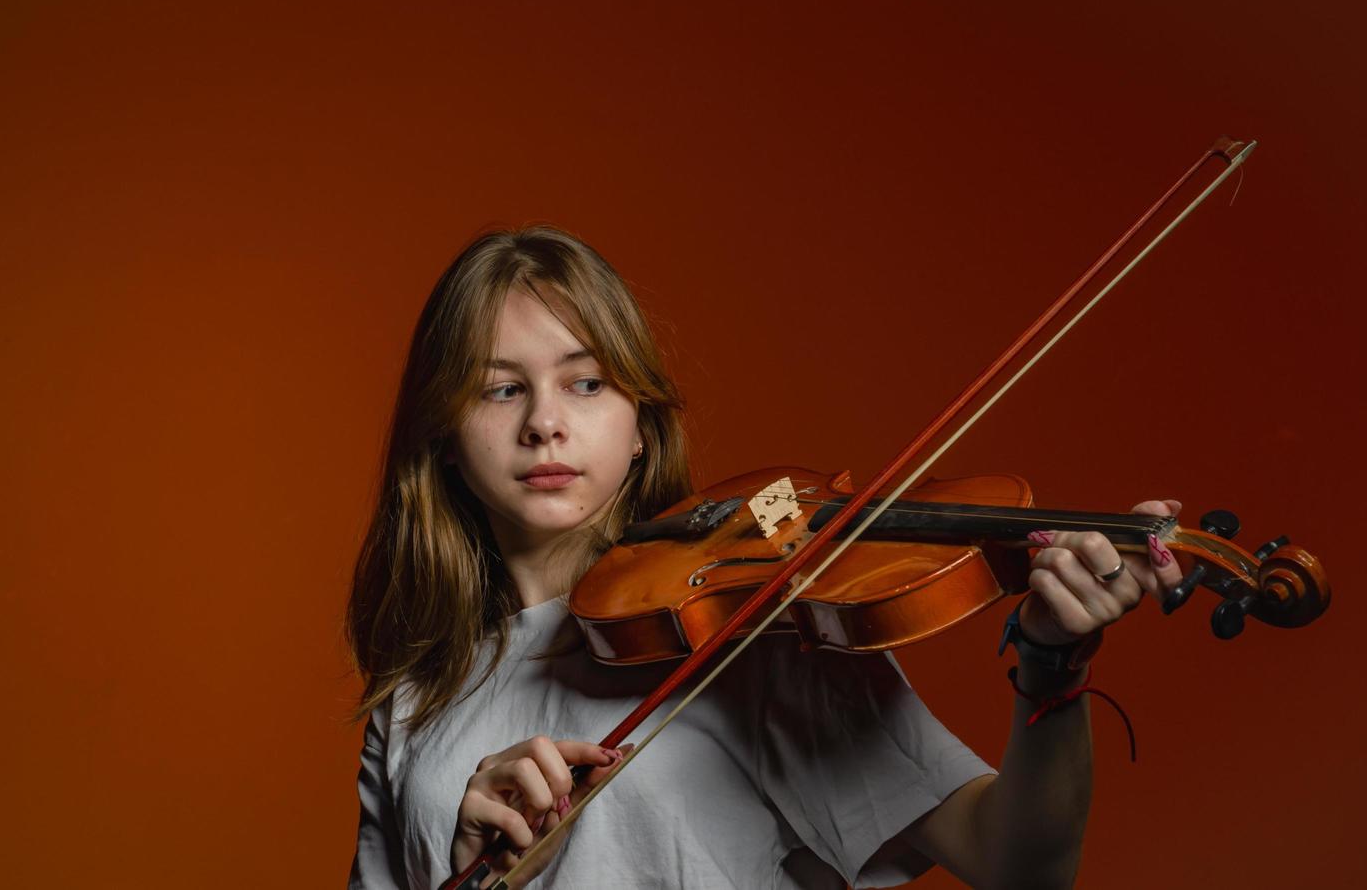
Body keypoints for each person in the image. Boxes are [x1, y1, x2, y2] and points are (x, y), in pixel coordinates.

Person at [346, 225, 1183, 889]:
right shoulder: (418, 697)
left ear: (640, 427)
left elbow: (1016, 864)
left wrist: (1052, 664)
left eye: (587, 381)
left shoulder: (750, 632)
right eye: (501, 388)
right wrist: (465, 865)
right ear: (446, 439)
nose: (546, 423)